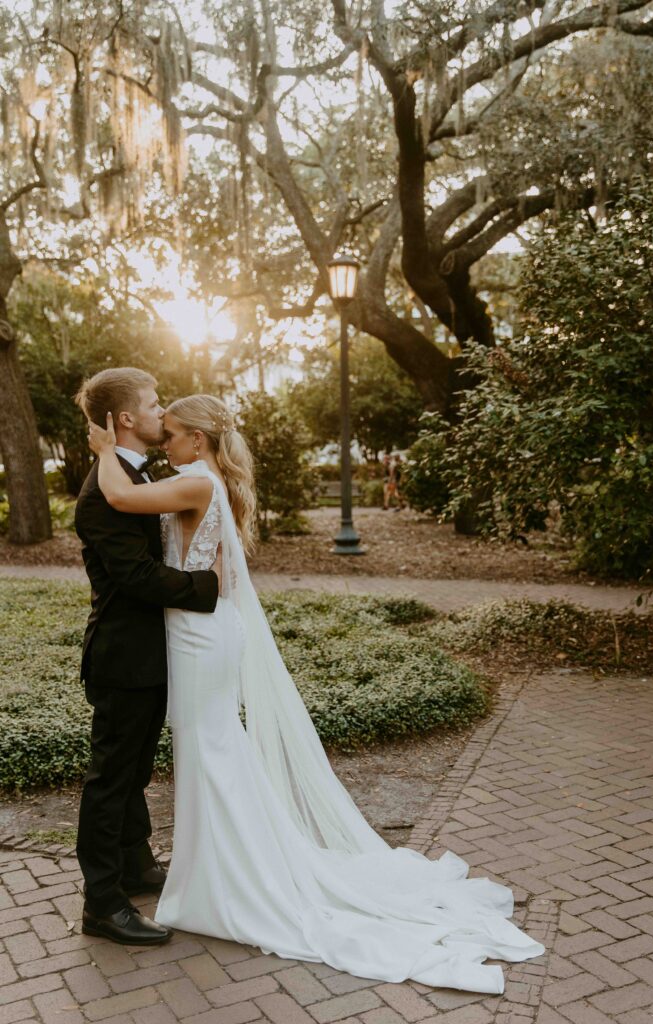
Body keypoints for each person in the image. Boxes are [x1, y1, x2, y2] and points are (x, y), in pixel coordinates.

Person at [86, 392, 544, 992]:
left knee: (212, 754)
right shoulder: (202, 479)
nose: (165, 444)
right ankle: (215, 869)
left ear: (198, 441)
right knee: (214, 752)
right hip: (200, 633)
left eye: (172, 434)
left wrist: (101, 450)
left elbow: (121, 496)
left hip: (199, 637)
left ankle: (229, 883)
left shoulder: (196, 483)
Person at [74, 368, 220, 947]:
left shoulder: (139, 476)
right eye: (155, 405)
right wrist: (206, 590)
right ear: (126, 419)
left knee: (134, 771)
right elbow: (134, 577)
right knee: (110, 779)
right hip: (123, 656)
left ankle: (134, 866)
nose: (163, 414)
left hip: (152, 654)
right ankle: (102, 903)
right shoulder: (101, 496)